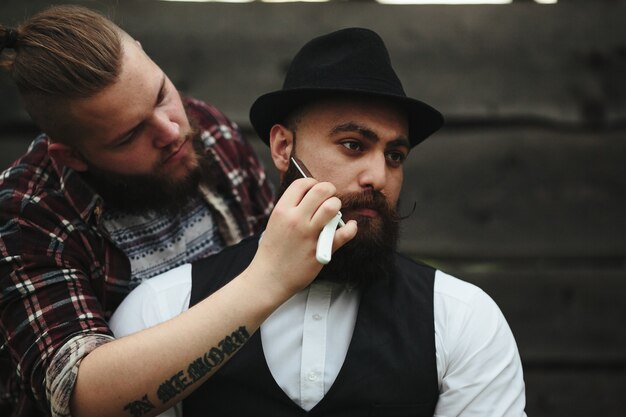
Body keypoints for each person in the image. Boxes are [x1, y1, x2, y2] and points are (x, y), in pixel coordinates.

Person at [110, 27, 527, 417]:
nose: (377, 177)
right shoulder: (163, 307)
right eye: (352, 145)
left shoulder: (461, 318)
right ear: (282, 146)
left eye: (394, 156)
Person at [0, 4, 328, 417]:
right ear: (72, 157)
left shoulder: (209, 131)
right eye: (131, 134)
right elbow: (83, 396)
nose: (172, 131)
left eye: (160, 95)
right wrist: (268, 278)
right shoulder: (26, 216)